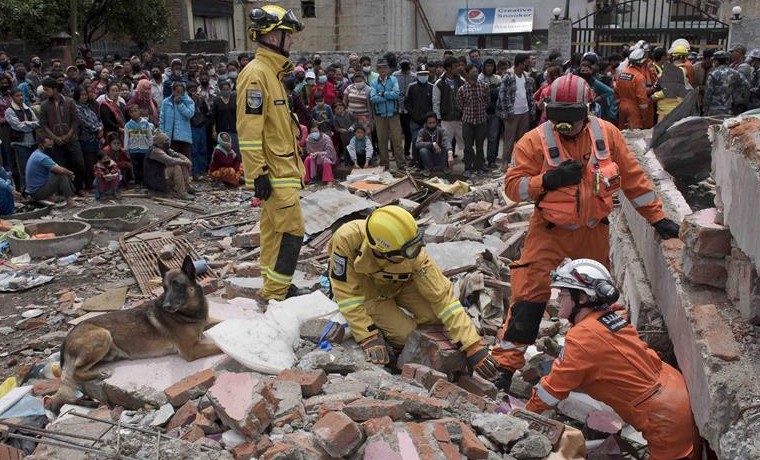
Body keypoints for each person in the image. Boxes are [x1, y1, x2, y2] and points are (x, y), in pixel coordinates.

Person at [490, 75, 682, 389]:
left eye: (571, 121)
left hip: (592, 232)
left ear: (587, 110)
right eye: (558, 121)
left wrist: (658, 219)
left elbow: (634, 180)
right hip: (549, 231)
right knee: (528, 295)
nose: (564, 128)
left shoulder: (607, 135)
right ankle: (504, 366)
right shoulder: (533, 141)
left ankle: (594, 365)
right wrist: (547, 181)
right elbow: (513, 187)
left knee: (595, 301)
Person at [526, 258, 700, 460]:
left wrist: (524, 417)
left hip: (663, 417)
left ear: (581, 298)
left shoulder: (582, 337)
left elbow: (551, 391)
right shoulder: (610, 318)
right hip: (674, 393)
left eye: (562, 294)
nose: (556, 300)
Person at [326, 205, 498, 381]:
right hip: (370, 294)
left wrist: (472, 346)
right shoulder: (347, 239)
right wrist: (367, 336)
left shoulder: (411, 249)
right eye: (407, 252)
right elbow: (347, 295)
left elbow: (443, 298)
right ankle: (395, 347)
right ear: (380, 250)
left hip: (401, 284)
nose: (415, 254)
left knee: (436, 317)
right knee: (407, 336)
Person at [238, 4, 307, 302]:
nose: (291, 41)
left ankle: (272, 286)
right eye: (287, 35)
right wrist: (258, 176)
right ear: (271, 36)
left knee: (272, 233)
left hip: (283, 170)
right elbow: (249, 132)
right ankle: (278, 293)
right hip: (274, 174)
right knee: (292, 232)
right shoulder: (256, 75)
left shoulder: (272, 74)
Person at [38, 77, 86, 194]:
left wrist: (68, 135)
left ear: (55, 89)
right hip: (55, 142)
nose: (45, 92)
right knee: (61, 167)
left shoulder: (69, 102)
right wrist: (55, 138)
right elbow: (43, 125)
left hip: (72, 139)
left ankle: (79, 188)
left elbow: (76, 120)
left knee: (79, 164)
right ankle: (67, 192)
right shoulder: (44, 105)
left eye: (47, 89)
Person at [498, 53, 535, 167]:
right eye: (526, 63)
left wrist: (531, 110)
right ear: (520, 64)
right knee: (509, 139)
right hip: (512, 112)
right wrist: (507, 112)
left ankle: (519, 162)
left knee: (522, 140)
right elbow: (502, 95)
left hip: (524, 111)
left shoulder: (526, 76)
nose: (528, 65)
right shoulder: (508, 76)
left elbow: (529, 95)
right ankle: (505, 162)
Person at [370, 60, 405, 170]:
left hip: (393, 114)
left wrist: (382, 94)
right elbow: (373, 98)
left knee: (397, 140)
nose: (382, 70)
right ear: (377, 70)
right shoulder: (374, 82)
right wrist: (388, 95)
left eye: (384, 67)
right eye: (380, 68)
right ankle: (385, 165)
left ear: (388, 69)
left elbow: (396, 94)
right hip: (380, 115)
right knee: (382, 141)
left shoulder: (393, 79)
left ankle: (401, 165)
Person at [25, 135, 77, 206]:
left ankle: (69, 195)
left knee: (56, 172)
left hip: (34, 191)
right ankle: (70, 200)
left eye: (51, 145)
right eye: (48, 145)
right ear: (41, 145)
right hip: (36, 193)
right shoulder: (42, 157)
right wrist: (70, 173)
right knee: (61, 175)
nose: (50, 147)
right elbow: (60, 170)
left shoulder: (36, 153)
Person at [457, 64, 489, 177]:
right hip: (468, 122)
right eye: (472, 72)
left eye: (476, 71)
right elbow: (460, 105)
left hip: (481, 121)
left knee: (480, 146)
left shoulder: (484, 86)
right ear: (467, 73)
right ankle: (467, 168)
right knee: (468, 147)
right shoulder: (462, 89)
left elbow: (487, 102)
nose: (475, 74)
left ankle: (479, 167)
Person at [5, 88, 39, 191]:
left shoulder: (28, 108)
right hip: (20, 143)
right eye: (17, 96)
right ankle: (25, 191)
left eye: (21, 95)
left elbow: (37, 122)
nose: (20, 98)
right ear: (12, 97)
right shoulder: (10, 111)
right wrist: (30, 124)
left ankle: (35, 190)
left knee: (33, 168)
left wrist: (27, 124)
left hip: (33, 142)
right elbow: (18, 126)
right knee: (23, 170)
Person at [144, 130, 193, 200]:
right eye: (166, 141)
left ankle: (186, 187)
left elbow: (177, 154)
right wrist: (185, 162)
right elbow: (170, 161)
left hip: (160, 174)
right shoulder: (155, 151)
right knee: (176, 166)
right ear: (160, 143)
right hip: (154, 178)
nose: (167, 142)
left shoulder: (165, 148)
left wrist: (186, 160)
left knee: (182, 164)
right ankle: (182, 193)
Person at [432, 57, 464, 161]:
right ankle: (444, 164)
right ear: (448, 68)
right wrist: (438, 118)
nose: (458, 68)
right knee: (445, 144)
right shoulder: (439, 83)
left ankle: (469, 164)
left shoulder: (461, 81)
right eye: (455, 66)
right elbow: (436, 102)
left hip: (460, 118)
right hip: (446, 119)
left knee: (466, 143)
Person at [72, 86, 102, 191]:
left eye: (85, 94)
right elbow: (82, 122)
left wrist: (100, 128)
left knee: (95, 162)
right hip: (85, 138)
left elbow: (97, 119)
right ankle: (90, 185)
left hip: (95, 138)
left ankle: (96, 184)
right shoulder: (76, 108)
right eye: (82, 95)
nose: (84, 97)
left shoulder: (88, 107)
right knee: (88, 163)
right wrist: (95, 129)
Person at [704, 51, 751, 117]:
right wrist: (736, 94)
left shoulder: (713, 74)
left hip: (714, 110)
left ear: (716, 61)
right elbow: (746, 85)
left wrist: (705, 110)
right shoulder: (735, 73)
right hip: (729, 109)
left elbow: (708, 95)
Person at [615, 49, 650, 129]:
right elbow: (642, 99)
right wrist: (644, 115)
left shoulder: (622, 73)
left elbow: (616, 90)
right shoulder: (639, 77)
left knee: (622, 132)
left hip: (621, 106)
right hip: (634, 109)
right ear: (642, 62)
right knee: (634, 135)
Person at [160, 81, 195, 158]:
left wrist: (180, 104)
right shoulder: (166, 102)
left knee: (185, 158)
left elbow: (190, 114)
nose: (179, 94)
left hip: (184, 136)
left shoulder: (188, 101)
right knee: (173, 158)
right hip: (170, 136)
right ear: (173, 91)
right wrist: (162, 134)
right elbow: (162, 120)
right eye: (177, 92)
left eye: (181, 92)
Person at [479, 58, 502, 168]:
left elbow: (499, 93)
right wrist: (492, 90)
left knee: (492, 138)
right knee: (480, 138)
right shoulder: (480, 77)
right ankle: (480, 160)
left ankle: (491, 160)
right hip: (482, 112)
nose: (489, 68)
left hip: (494, 112)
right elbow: (481, 93)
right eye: (487, 66)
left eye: (491, 66)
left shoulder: (498, 78)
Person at [123, 104, 154, 185]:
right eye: (131, 112)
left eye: (136, 111)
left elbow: (149, 136)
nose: (134, 114)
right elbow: (126, 138)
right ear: (129, 114)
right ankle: (137, 182)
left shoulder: (146, 123)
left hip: (144, 149)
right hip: (133, 149)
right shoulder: (128, 125)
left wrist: (151, 146)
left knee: (144, 166)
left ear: (139, 111)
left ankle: (145, 182)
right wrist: (126, 150)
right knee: (136, 167)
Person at [393, 56, 416, 158]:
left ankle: (406, 152)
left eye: (406, 64)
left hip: (408, 109)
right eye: (403, 64)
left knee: (408, 132)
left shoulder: (413, 76)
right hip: (397, 108)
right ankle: (395, 153)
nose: (405, 66)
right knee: (395, 132)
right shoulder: (395, 75)